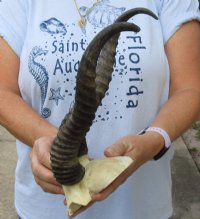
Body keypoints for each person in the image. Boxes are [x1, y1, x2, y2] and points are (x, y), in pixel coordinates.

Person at [0, 0, 200, 219]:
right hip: (44, 209)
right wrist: (62, 149)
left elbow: (191, 88)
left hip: (141, 207)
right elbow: (3, 91)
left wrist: (154, 139)